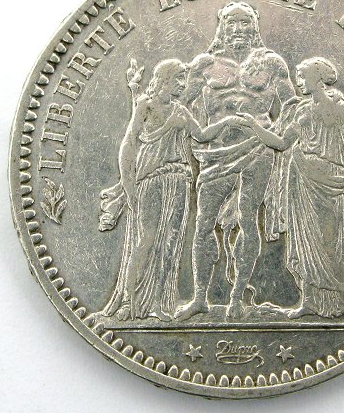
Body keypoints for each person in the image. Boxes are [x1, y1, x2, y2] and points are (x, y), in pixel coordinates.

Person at [238, 57, 344, 320]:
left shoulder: (341, 108)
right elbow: (282, 143)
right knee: (304, 242)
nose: (298, 81)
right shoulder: (302, 110)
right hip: (302, 180)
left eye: (303, 76)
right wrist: (254, 126)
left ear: (318, 77)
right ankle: (309, 302)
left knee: (334, 243)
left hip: (331, 180)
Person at [175, 2, 296, 320]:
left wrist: (279, 136)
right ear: (222, 28)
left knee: (248, 220)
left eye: (244, 22)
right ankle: (199, 298)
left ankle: (237, 297)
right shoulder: (205, 64)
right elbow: (181, 105)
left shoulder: (271, 62)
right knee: (204, 223)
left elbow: (291, 105)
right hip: (215, 151)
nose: (238, 28)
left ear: (254, 27)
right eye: (231, 23)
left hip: (257, 149)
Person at [100, 59, 242, 321]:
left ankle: (159, 303)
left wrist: (229, 121)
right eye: (178, 79)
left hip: (178, 180)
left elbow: (202, 135)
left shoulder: (180, 110)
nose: (182, 84)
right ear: (165, 79)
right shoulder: (146, 105)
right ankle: (130, 302)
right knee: (146, 240)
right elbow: (130, 142)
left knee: (171, 243)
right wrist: (128, 184)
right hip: (151, 178)